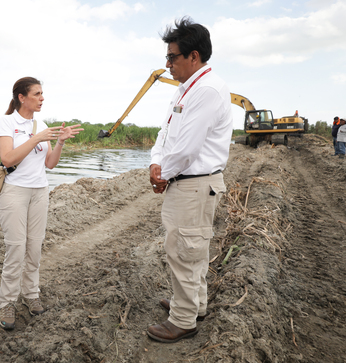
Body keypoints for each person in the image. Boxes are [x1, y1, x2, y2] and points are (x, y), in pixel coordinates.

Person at [148, 17, 232, 343]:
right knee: (191, 247)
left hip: (194, 183)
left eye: (172, 57)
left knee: (185, 250)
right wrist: (156, 162)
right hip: (187, 181)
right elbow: (166, 133)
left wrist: (162, 174)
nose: (167, 64)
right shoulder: (188, 88)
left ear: (193, 57)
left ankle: (183, 319)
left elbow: (187, 148)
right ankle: (194, 304)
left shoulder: (207, 90)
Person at [0, 77, 83, 330]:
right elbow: (7, 158)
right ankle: (7, 302)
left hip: (40, 191)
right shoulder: (7, 122)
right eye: (37, 93)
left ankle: (31, 294)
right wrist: (35, 138)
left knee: (34, 247)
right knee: (15, 248)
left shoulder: (40, 123)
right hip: (14, 192)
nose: (42, 98)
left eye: (43, 93)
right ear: (22, 97)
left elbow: (50, 164)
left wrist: (60, 141)